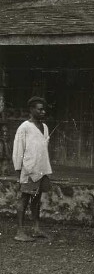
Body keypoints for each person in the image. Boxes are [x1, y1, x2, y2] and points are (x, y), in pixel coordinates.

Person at [12, 97, 53, 242]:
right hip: (28, 170)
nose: (43, 111)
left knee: (36, 199)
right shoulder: (24, 127)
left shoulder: (45, 127)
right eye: (39, 109)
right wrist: (19, 171)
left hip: (41, 169)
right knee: (24, 198)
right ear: (31, 110)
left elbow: (43, 149)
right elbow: (18, 150)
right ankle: (20, 231)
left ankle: (36, 228)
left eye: (44, 109)